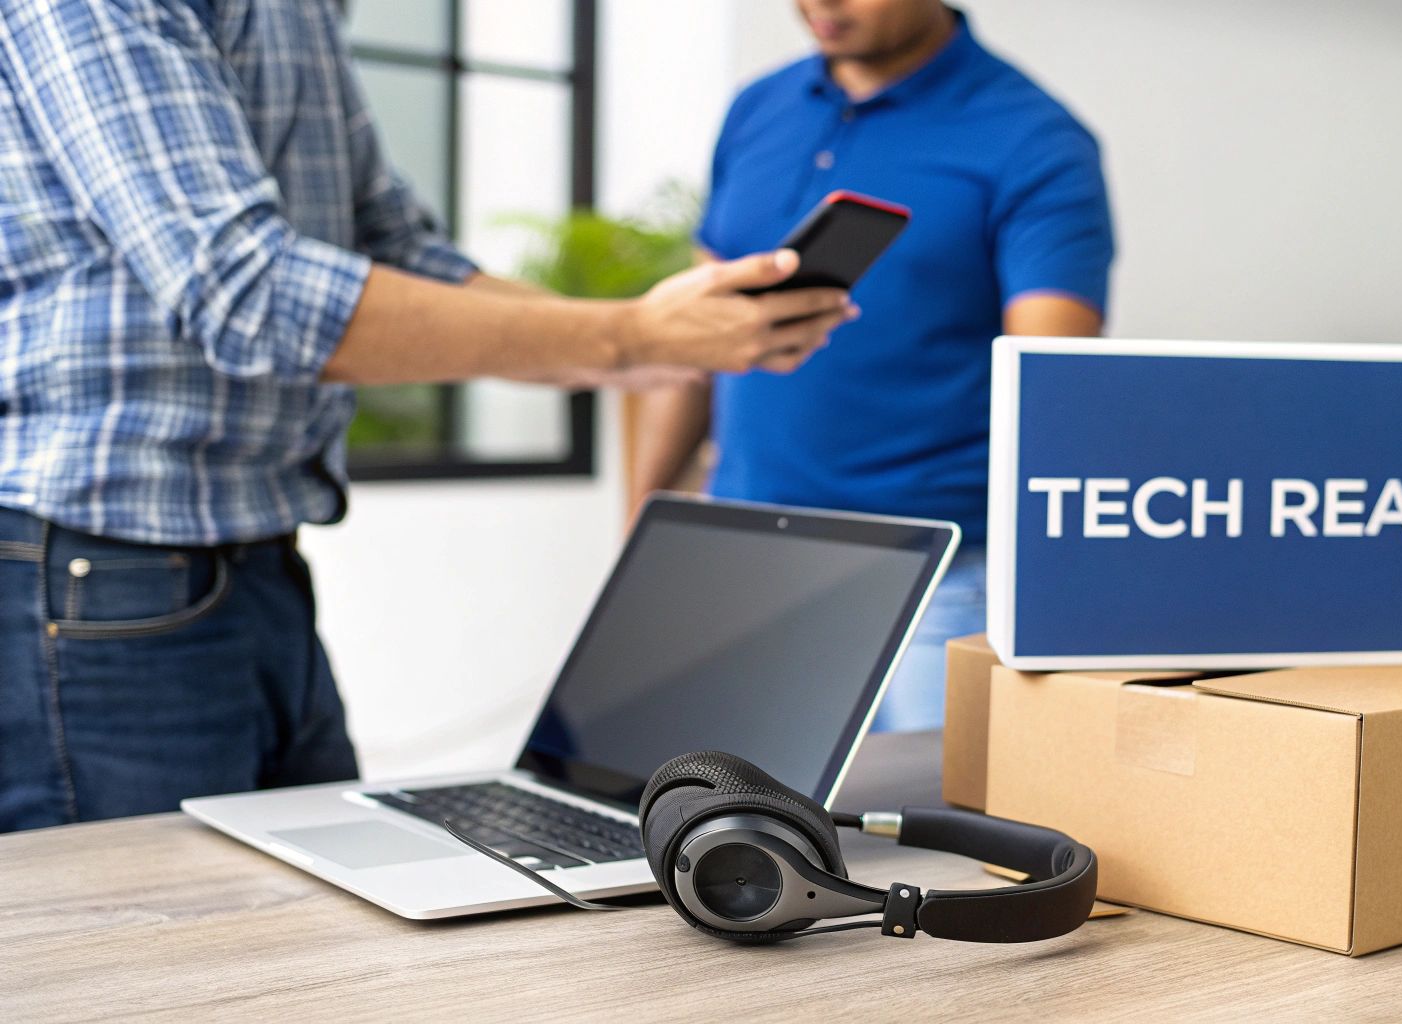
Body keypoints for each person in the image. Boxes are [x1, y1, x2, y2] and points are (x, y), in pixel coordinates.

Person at [0, 0, 853, 832]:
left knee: (318, 940)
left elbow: (407, 256)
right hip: (95, 569)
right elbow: (246, 289)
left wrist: (674, 344)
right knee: (146, 957)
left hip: (258, 565)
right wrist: (627, 336)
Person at [629, 0, 1115, 731]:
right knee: (735, 829)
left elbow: (1054, 385)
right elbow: (696, 344)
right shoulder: (757, 107)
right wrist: (645, 528)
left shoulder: (1035, 138)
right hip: (743, 554)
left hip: (935, 579)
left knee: (921, 832)